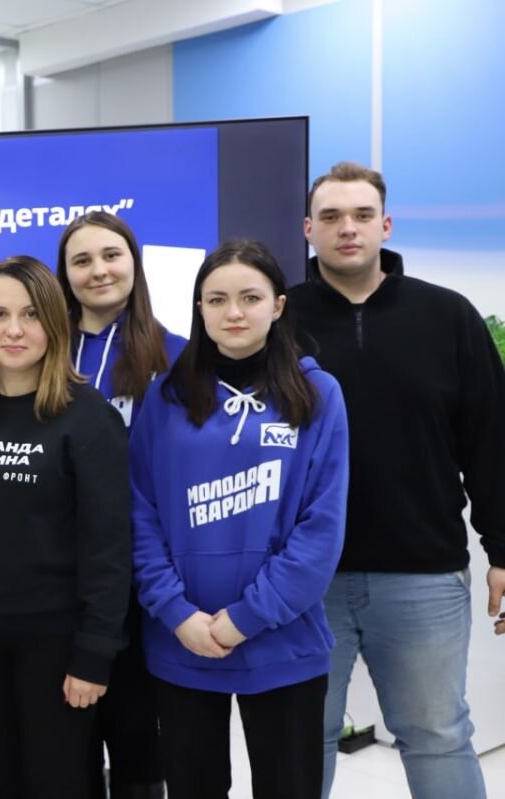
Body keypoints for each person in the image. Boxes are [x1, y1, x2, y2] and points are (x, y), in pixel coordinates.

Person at [291, 161, 505, 799]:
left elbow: (492, 441)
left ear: (385, 225)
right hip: (302, 580)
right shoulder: (279, 322)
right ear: (308, 229)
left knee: (437, 735)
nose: (347, 228)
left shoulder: (448, 316)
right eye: (331, 217)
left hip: (423, 577)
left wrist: (502, 550)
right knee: (299, 738)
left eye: (362, 215)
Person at [129, 240, 349, 799]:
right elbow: (140, 513)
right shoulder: (165, 397)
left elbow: (320, 531)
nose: (233, 312)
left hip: (283, 643)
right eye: (217, 299)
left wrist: (246, 618)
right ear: (199, 309)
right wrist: (177, 613)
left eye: (250, 298)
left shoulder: (318, 394)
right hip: (182, 641)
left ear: (278, 306)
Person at [0, 256, 132, 799]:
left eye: (30, 314)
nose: (12, 330)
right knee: (3, 784)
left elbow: (108, 548)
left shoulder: (88, 416)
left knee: (58, 785)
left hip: (56, 643)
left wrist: (94, 654)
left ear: (55, 323)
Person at [56, 211, 186, 799]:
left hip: (147, 585)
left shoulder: (177, 356)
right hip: (62, 584)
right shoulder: (43, 356)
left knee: (139, 744)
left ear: (134, 263)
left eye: (111, 255)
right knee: (70, 743)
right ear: (64, 275)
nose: (99, 270)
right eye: (81, 260)